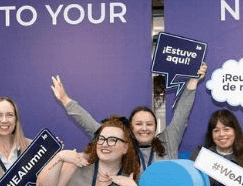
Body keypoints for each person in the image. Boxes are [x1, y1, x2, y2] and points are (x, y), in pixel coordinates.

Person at [50, 62, 208, 170]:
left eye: (149, 124)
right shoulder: (122, 146)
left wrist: (192, 82)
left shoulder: (168, 141)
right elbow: (92, 126)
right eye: (138, 124)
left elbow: (181, 115)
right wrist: (65, 100)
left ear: (155, 127)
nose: (144, 128)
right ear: (131, 127)